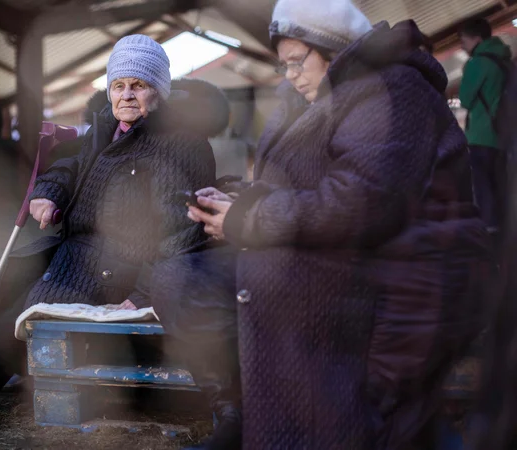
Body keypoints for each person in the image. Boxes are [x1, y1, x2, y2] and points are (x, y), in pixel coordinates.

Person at [179, 3, 490, 448]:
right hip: (358, 259)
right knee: (188, 278)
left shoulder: (394, 90)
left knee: (380, 413)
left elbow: (362, 200)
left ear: (334, 49)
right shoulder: (327, 96)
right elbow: (310, 188)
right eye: (283, 63)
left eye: (296, 61)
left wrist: (250, 218)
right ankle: (247, 419)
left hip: (421, 271)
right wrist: (242, 203)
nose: (289, 74)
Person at [0, 34, 228, 423]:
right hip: (82, 248)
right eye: (118, 85)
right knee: (15, 276)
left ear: (160, 90)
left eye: (138, 85)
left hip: (122, 265)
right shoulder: (109, 128)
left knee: (37, 305)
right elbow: (71, 166)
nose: (126, 95)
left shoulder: (179, 144)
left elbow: (180, 230)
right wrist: (48, 192)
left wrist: (143, 293)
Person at [459, 18, 512, 233]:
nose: (462, 45)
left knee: (483, 185)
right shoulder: (504, 60)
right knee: (501, 182)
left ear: (476, 38)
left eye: (464, 40)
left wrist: (466, 73)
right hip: (503, 132)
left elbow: (465, 99)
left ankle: (491, 227)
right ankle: (507, 224)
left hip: (481, 135)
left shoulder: (477, 63)